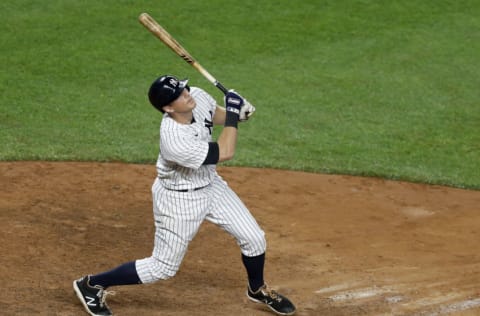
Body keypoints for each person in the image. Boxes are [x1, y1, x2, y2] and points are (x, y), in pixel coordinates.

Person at [73, 75, 296, 316]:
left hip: (212, 186)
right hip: (179, 200)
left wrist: (238, 113)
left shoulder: (196, 97)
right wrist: (233, 112)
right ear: (168, 108)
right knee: (163, 267)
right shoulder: (174, 139)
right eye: (178, 95)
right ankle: (91, 284)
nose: (187, 94)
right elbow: (226, 151)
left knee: (254, 238)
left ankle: (257, 289)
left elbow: (215, 115)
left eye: (184, 88)